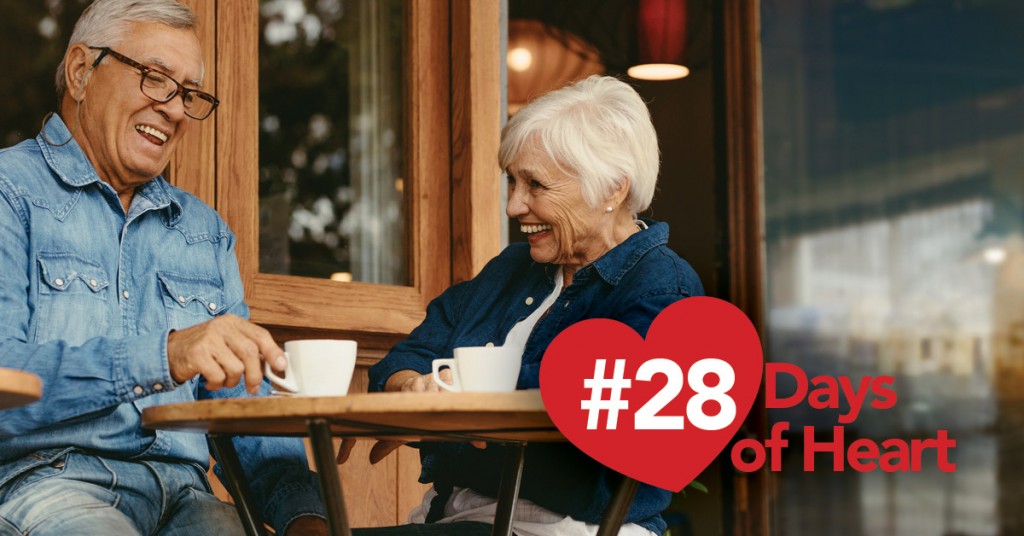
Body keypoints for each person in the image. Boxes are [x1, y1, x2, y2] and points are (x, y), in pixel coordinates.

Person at [0, 1, 327, 534]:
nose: (175, 110)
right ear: (82, 71)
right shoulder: (8, 194)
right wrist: (164, 355)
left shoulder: (204, 231)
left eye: (188, 93)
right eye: (156, 79)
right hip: (44, 480)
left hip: (188, 495)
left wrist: (305, 516)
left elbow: (246, 409)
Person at [344, 75, 704, 536]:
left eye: (535, 185)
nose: (515, 206)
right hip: (456, 520)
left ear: (613, 188)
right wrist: (414, 387)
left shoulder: (662, 288)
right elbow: (406, 357)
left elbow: (612, 395)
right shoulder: (510, 269)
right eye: (512, 182)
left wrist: (464, 389)